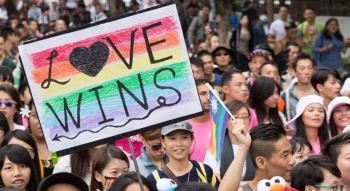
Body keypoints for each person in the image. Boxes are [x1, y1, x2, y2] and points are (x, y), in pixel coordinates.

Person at [147, 121, 219, 191]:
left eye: (184, 137)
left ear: (191, 140)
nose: (178, 144)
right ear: (163, 142)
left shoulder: (204, 170)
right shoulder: (154, 179)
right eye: (172, 138)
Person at [221, 123, 295, 191]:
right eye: (285, 156)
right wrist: (244, 146)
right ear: (261, 162)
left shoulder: (287, 187)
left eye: (291, 153)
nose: (292, 161)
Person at [219, 100, 255, 180]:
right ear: (225, 123)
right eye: (235, 117)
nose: (241, 121)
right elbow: (217, 181)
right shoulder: (217, 148)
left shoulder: (257, 145)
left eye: (245, 117)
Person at [281, 54, 317, 121]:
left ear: (314, 70)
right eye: (302, 68)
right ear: (294, 72)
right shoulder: (286, 95)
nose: (307, 72)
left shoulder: (320, 92)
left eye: (309, 68)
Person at [27, 100, 55, 177]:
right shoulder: (21, 145)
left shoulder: (66, 144)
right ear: (28, 117)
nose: (41, 121)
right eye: (35, 116)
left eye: (47, 115)